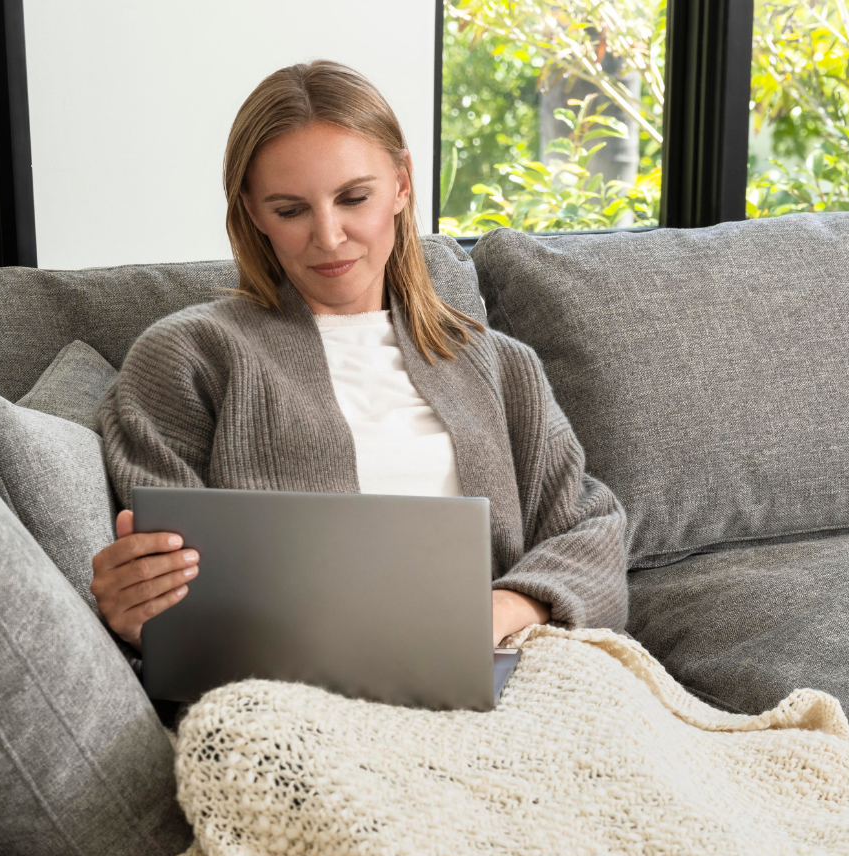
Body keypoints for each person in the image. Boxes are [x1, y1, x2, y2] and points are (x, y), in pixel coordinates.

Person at [90, 60, 629, 653]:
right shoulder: (189, 358)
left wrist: (494, 612)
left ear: (401, 185)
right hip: (294, 681)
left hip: (501, 668)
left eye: (353, 197)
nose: (328, 235)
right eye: (290, 210)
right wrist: (141, 616)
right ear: (251, 212)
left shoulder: (500, 364)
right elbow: (174, 592)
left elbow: (592, 530)